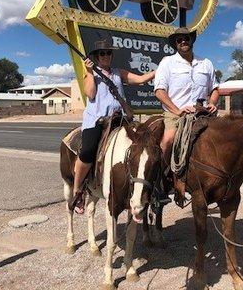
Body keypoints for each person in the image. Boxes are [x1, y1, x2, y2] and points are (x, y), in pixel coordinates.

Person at [71, 39, 155, 214]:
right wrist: (88, 71)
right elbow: (90, 93)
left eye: (108, 53)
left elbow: (140, 79)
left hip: (119, 119)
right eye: (102, 53)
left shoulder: (118, 72)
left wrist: (159, 69)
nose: (106, 56)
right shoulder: (90, 74)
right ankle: (77, 190)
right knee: (87, 151)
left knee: (141, 145)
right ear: (96, 56)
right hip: (97, 120)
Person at [154, 27, 220, 205]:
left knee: (223, 139)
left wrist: (212, 103)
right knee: (168, 139)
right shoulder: (167, 62)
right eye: (179, 39)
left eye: (187, 38)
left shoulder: (205, 63)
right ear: (175, 44)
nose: (183, 41)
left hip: (203, 112)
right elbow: (159, 91)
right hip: (177, 113)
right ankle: (159, 182)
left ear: (192, 40)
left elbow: (214, 89)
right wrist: (177, 110)